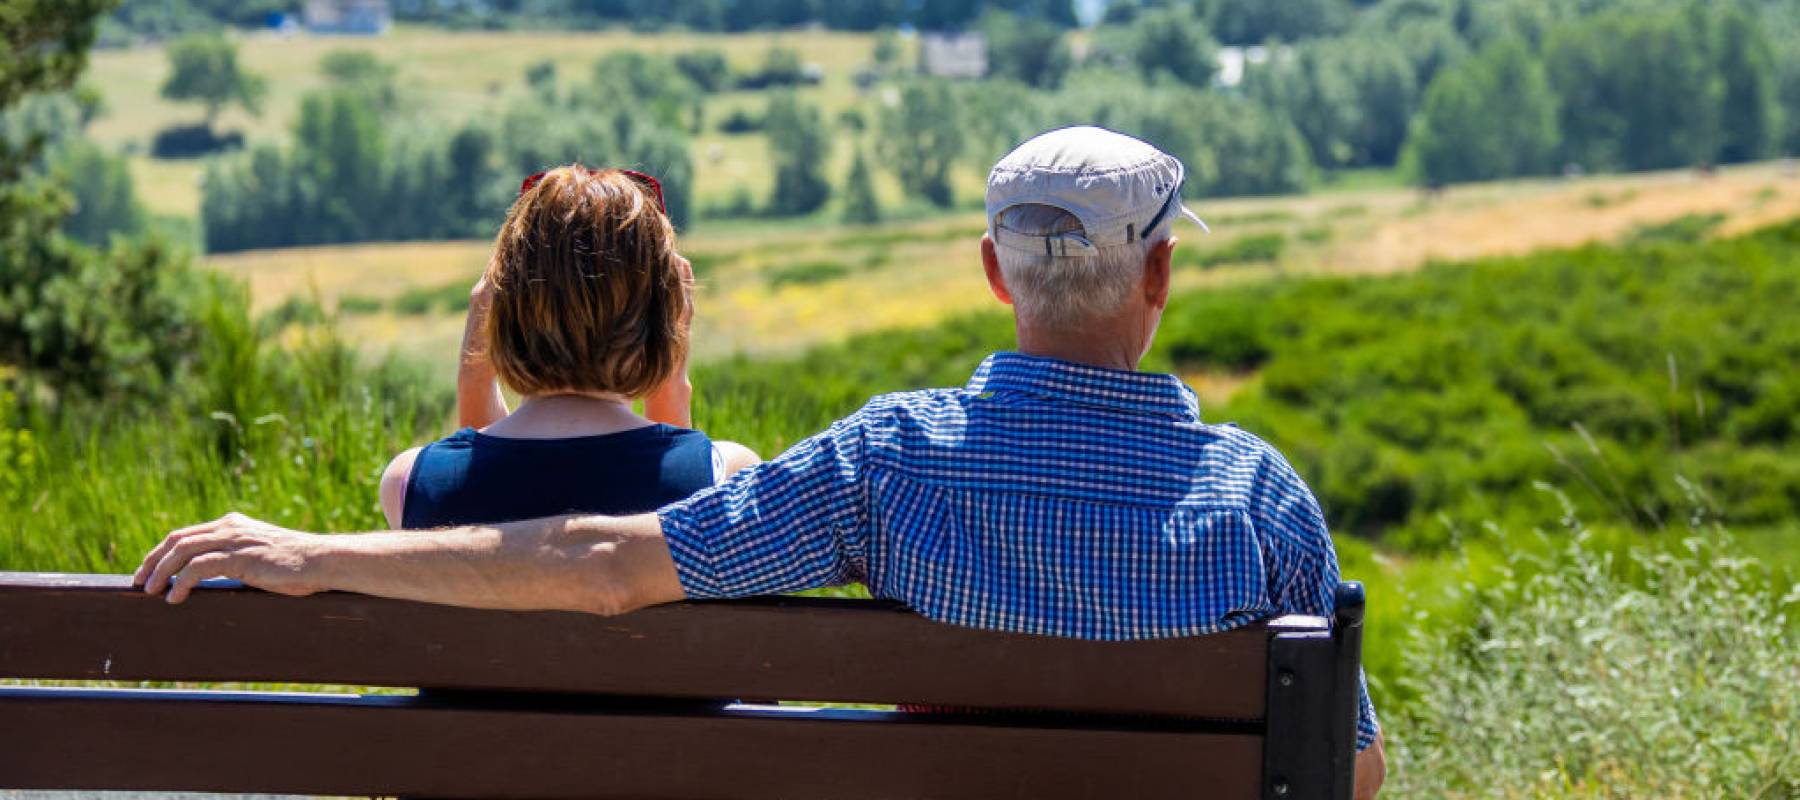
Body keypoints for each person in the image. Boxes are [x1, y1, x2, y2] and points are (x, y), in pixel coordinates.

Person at [136, 127, 1385, 797]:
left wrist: (309, 553)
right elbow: (1356, 763)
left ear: (996, 271)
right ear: (1159, 274)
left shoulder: (888, 458)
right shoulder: (1260, 496)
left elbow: (604, 563)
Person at [377, 165, 759, 531]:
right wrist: (670, 381)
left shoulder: (410, 484)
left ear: (500, 308)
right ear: (666, 317)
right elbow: (676, 502)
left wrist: (473, 377)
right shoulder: (724, 481)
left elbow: (490, 478)